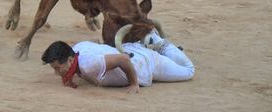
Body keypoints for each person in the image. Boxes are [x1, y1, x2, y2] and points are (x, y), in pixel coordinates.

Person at [41, 29, 194, 93]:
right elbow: (95, 43)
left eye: (58, 68)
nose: (56, 72)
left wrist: (134, 83)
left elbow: (123, 59)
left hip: (146, 64)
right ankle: (149, 44)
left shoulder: (89, 65)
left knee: (188, 70)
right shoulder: (76, 49)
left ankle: (160, 43)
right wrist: (67, 76)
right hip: (129, 49)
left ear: (69, 59)